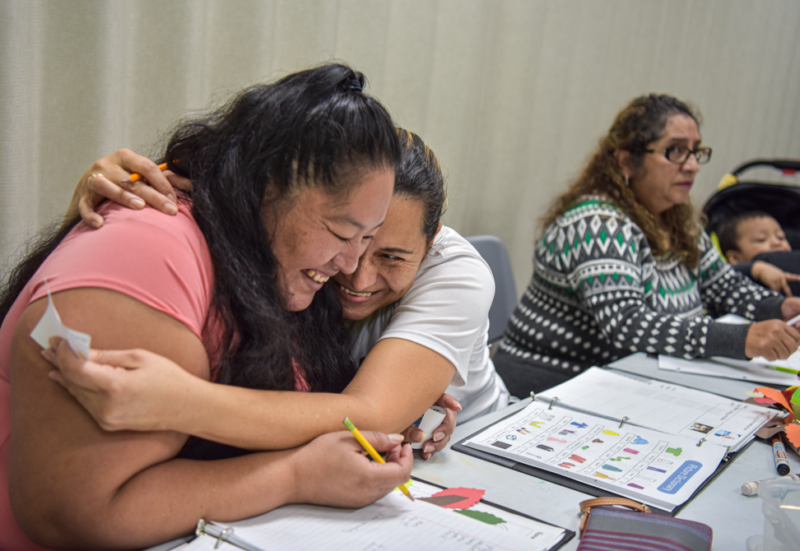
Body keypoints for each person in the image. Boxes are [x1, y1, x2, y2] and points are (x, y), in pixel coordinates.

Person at [0, 64, 415, 550]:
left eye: (368, 238)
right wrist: (293, 476)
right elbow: (71, 514)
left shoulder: (261, 258)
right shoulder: (148, 254)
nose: (350, 264)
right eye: (342, 234)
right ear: (265, 186)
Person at [42, 129, 508, 469]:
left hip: (473, 447)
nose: (355, 271)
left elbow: (369, 414)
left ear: (433, 244)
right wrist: (100, 191)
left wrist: (180, 403)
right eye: (349, 236)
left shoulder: (457, 273)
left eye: (392, 256)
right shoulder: (298, 257)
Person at [493, 94, 800, 397]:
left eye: (696, 152)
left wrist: (778, 307)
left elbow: (724, 285)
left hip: (630, 376)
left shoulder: (678, 218)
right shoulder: (597, 223)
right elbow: (627, 323)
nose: (692, 165)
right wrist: (740, 338)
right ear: (627, 161)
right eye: (676, 151)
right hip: (554, 384)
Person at [716, 211, 800, 296]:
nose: (776, 242)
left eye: (780, 237)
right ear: (735, 258)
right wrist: (756, 269)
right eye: (761, 240)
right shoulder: (732, 279)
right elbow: (724, 273)